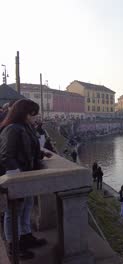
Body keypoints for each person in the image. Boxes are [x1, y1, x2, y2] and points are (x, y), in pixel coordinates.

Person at [0, 99, 50, 259]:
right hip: (17, 177)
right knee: (12, 212)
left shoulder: (25, 127)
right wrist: (17, 176)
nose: (36, 117)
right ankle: (14, 246)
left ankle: (26, 236)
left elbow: (29, 147)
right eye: (33, 114)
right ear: (24, 113)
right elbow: (6, 156)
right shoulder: (12, 129)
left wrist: (41, 154)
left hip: (27, 175)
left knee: (27, 206)